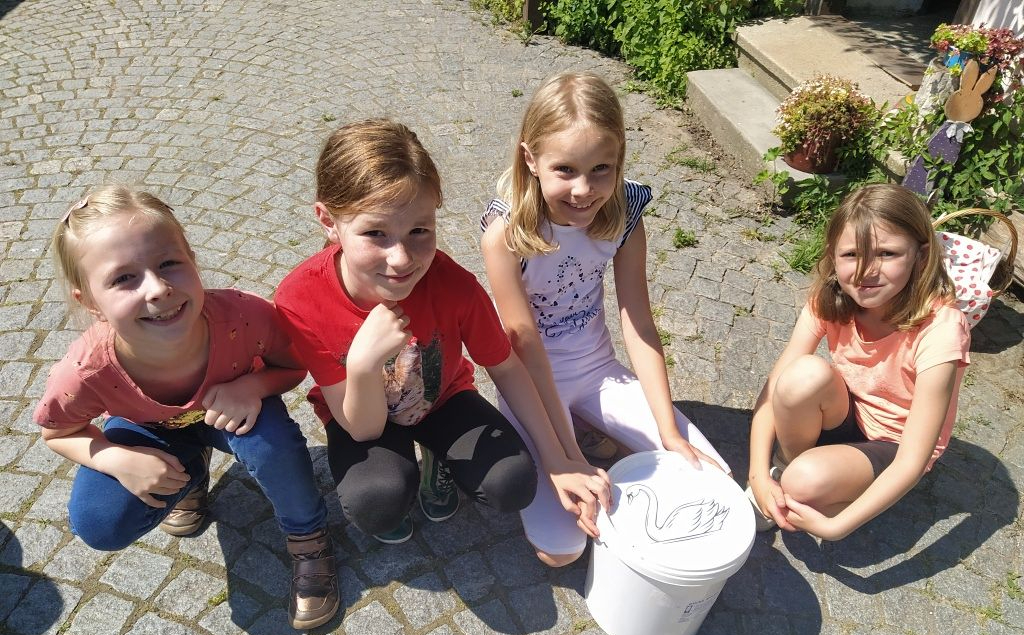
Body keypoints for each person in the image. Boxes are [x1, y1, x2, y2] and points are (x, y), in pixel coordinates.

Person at [274, 118, 609, 551]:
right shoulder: (301, 299)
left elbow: (506, 367)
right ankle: (400, 480)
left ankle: (437, 457)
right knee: (377, 501)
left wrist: (557, 459)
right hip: (363, 416)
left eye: (419, 230)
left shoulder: (453, 285)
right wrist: (363, 363)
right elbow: (364, 429)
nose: (401, 259)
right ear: (328, 221)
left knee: (512, 483)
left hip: (441, 398)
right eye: (375, 233)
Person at [34, 185, 338, 631]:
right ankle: (188, 474)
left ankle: (308, 535)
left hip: (234, 411)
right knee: (99, 521)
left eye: (168, 264)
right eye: (123, 278)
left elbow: (294, 367)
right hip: (150, 430)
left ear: (192, 259)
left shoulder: (244, 316)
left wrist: (252, 385)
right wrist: (116, 459)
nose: (158, 289)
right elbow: (58, 432)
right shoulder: (86, 370)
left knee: (272, 442)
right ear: (91, 302)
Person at [481, 72, 729, 566]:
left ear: (619, 160)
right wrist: (566, 456)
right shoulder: (506, 233)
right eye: (565, 170)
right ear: (530, 159)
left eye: (601, 169)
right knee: (562, 550)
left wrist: (668, 430)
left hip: (598, 369)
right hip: (532, 383)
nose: (583, 189)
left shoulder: (625, 212)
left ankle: (593, 426)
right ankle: (579, 432)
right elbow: (525, 346)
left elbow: (637, 320)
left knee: (713, 481)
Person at [746, 183, 970, 540]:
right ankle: (786, 466)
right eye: (851, 254)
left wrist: (836, 527)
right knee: (802, 375)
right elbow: (774, 390)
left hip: (894, 443)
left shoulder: (940, 329)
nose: (866, 271)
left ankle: (822, 487)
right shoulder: (830, 298)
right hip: (849, 411)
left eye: (886, 253)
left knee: (803, 484)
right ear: (833, 256)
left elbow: (912, 460)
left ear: (921, 256)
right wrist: (758, 473)